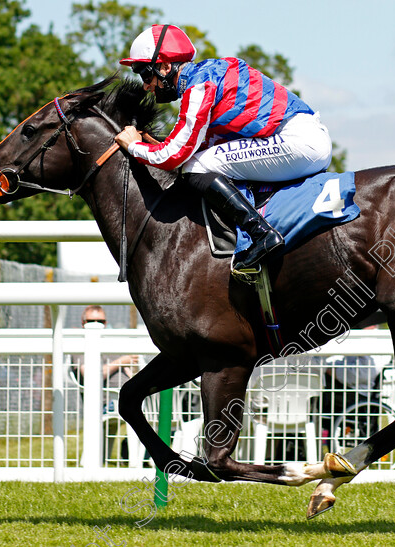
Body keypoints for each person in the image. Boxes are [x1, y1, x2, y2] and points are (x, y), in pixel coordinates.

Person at [114, 24, 332, 271]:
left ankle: (260, 234)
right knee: (202, 159)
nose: (145, 86)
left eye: (145, 75)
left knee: (195, 166)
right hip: (305, 138)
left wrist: (134, 147)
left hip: (299, 142)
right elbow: (199, 144)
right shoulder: (208, 75)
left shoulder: (199, 86)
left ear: (165, 67)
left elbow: (175, 156)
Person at [74, 305, 143, 462]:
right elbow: (90, 374)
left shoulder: (111, 344)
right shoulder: (80, 346)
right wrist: (121, 361)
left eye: (101, 321)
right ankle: (134, 458)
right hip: (106, 400)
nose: (97, 324)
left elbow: (130, 373)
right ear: (83, 323)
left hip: (128, 394)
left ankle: (143, 456)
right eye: (91, 321)